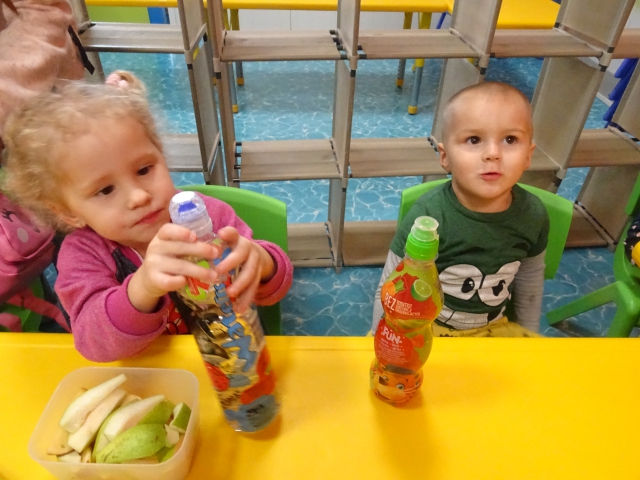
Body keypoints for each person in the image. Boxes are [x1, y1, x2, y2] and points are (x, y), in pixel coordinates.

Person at [2, 72, 293, 361]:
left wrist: (261, 261)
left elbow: (273, 287)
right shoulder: (83, 255)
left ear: (160, 154)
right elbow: (93, 343)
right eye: (105, 190)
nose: (138, 196)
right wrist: (143, 288)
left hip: (237, 360)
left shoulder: (208, 215)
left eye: (144, 170)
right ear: (68, 212)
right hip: (154, 373)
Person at [373, 82, 549, 337]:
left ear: (528, 155)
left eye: (510, 139)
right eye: (474, 139)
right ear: (445, 157)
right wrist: (382, 339)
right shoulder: (428, 214)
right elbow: (390, 288)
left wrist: (528, 335)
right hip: (427, 326)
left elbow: (530, 280)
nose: (493, 154)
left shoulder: (534, 214)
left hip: (494, 329)